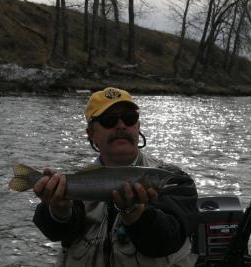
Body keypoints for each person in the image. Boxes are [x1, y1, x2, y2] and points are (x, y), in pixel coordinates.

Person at [33, 87, 199, 267]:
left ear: (138, 126)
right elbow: (58, 233)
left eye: (129, 118)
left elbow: (166, 241)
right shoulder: (79, 180)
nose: (121, 125)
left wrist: (137, 214)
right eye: (109, 120)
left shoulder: (175, 180)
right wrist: (59, 210)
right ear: (91, 134)